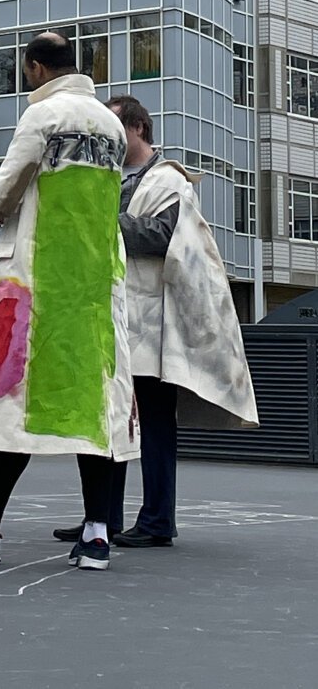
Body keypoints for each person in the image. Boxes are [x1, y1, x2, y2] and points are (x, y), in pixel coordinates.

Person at [0, 31, 138, 574]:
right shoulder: (110, 125)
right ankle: (96, 534)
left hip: (34, 279)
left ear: (36, 68)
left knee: (10, 402)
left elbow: (1, 197)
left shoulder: (42, 116)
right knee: (93, 407)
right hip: (93, 285)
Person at [53, 95, 258, 549]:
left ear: (138, 128)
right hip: (116, 315)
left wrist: (102, 223)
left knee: (155, 425)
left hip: (151, 323)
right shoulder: (109, 175)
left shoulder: (169, 180)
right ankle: (102, 517)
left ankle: (158, 520)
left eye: (114, 130)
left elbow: (165, 236)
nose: (107, 139)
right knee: (111, 420)